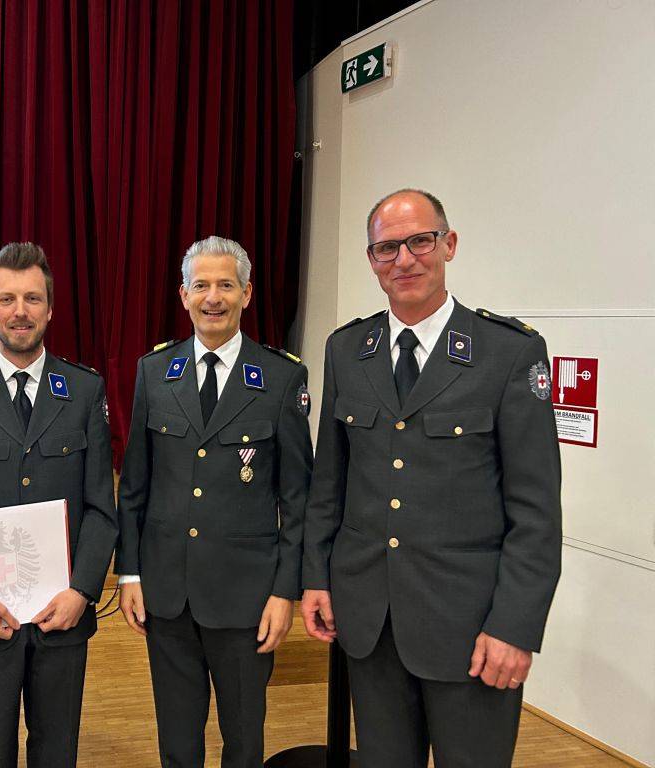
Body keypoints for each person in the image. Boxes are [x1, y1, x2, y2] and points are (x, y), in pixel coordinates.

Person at [301, 189, 562, 767]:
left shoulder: (507, 354)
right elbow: (331, 484)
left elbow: (537, 513)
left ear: (448, 244)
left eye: (420, 241)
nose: (405, 259)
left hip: (471, 631)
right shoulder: (348, 350)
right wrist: (317, 575)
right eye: (386, 248)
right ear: (371, 260)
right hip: (371, 621)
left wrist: (516, 626)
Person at [116, 236, 313, 767]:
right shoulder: (155, 372)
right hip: (167, 593)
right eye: (201, 285)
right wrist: (129, 575)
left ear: (247, 293)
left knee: (244, 739)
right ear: (183, 295)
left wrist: (284, 592)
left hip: (246, 598)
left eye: (226, 284)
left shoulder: (280, 377)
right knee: (177, 741)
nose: (213, 297)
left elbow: (298, 500)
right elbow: (135, 486)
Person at [0, 242, 117, 768]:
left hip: (63, 614)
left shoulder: (82, 390)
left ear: (50, 308)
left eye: (33, 298)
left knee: (57, 753)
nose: (20, 311)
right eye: (5, 299)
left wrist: (82, 591)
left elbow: (102, 507)